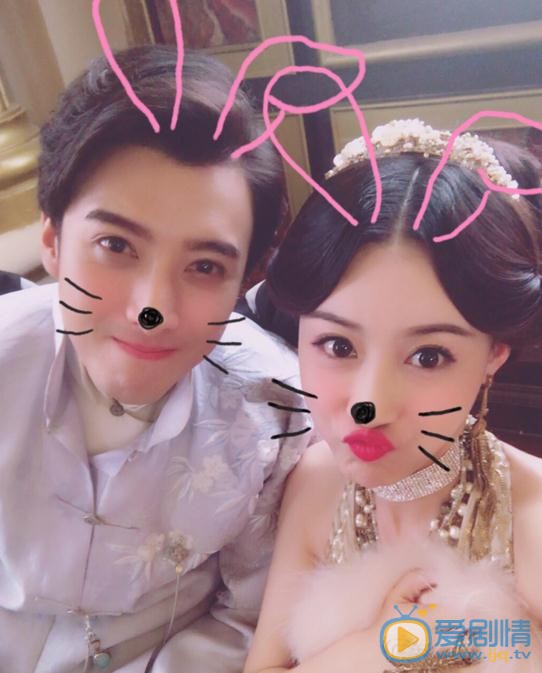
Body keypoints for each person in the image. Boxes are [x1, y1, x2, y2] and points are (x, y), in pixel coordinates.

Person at [0, 45, 315, 672]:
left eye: (205, 267)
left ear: (244, 279)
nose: (152, 310)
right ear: (53, 241)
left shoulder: (277, 414)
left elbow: (251, 616)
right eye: (116, 245)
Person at [243, 119, 542, 673]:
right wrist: (385, 644)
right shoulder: (316, 482)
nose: (369, 406)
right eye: (337, 345)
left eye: (428, 356)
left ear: (494, 353)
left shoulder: (530, 517)